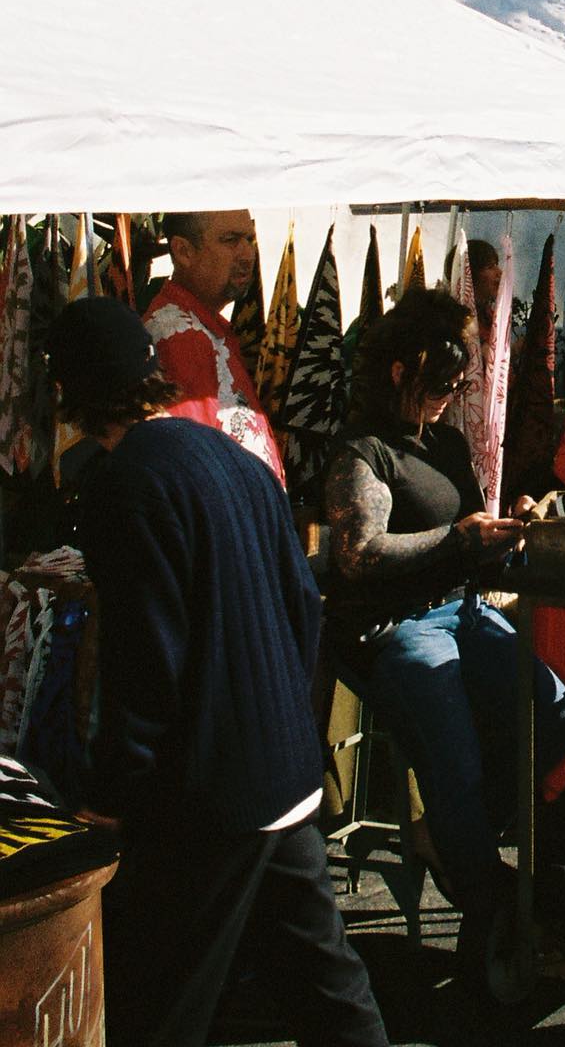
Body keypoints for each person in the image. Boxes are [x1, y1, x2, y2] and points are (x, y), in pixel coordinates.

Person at [48, 296, 387, 1047]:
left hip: (208, 792)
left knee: (156, 1003)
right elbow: (302, 607)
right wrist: (286, 724)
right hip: (283, 770)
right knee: (325, 988)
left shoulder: (123, 484)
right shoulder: (236, 459)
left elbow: (145, 659)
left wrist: (113, 793)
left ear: (72, 393)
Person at [323, 288, 565, 951]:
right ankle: (495, 918)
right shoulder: (363, 451)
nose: (449, 395)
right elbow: (358, 554)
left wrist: (510, 529)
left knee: (554, 715)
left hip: (461, 608)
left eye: (457, 384)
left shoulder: (444, 441)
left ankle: (447, 834)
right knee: (455, 760)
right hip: (398, 625)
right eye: (440, 384)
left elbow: (468, 536)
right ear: (399, 371)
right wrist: (457, 540)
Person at [144, 209, 283, 479]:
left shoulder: (203, 327)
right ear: (184, 251)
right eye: (230, 240)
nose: (247, 254)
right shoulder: (179, 336)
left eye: (249, 239)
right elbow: (195, 470)